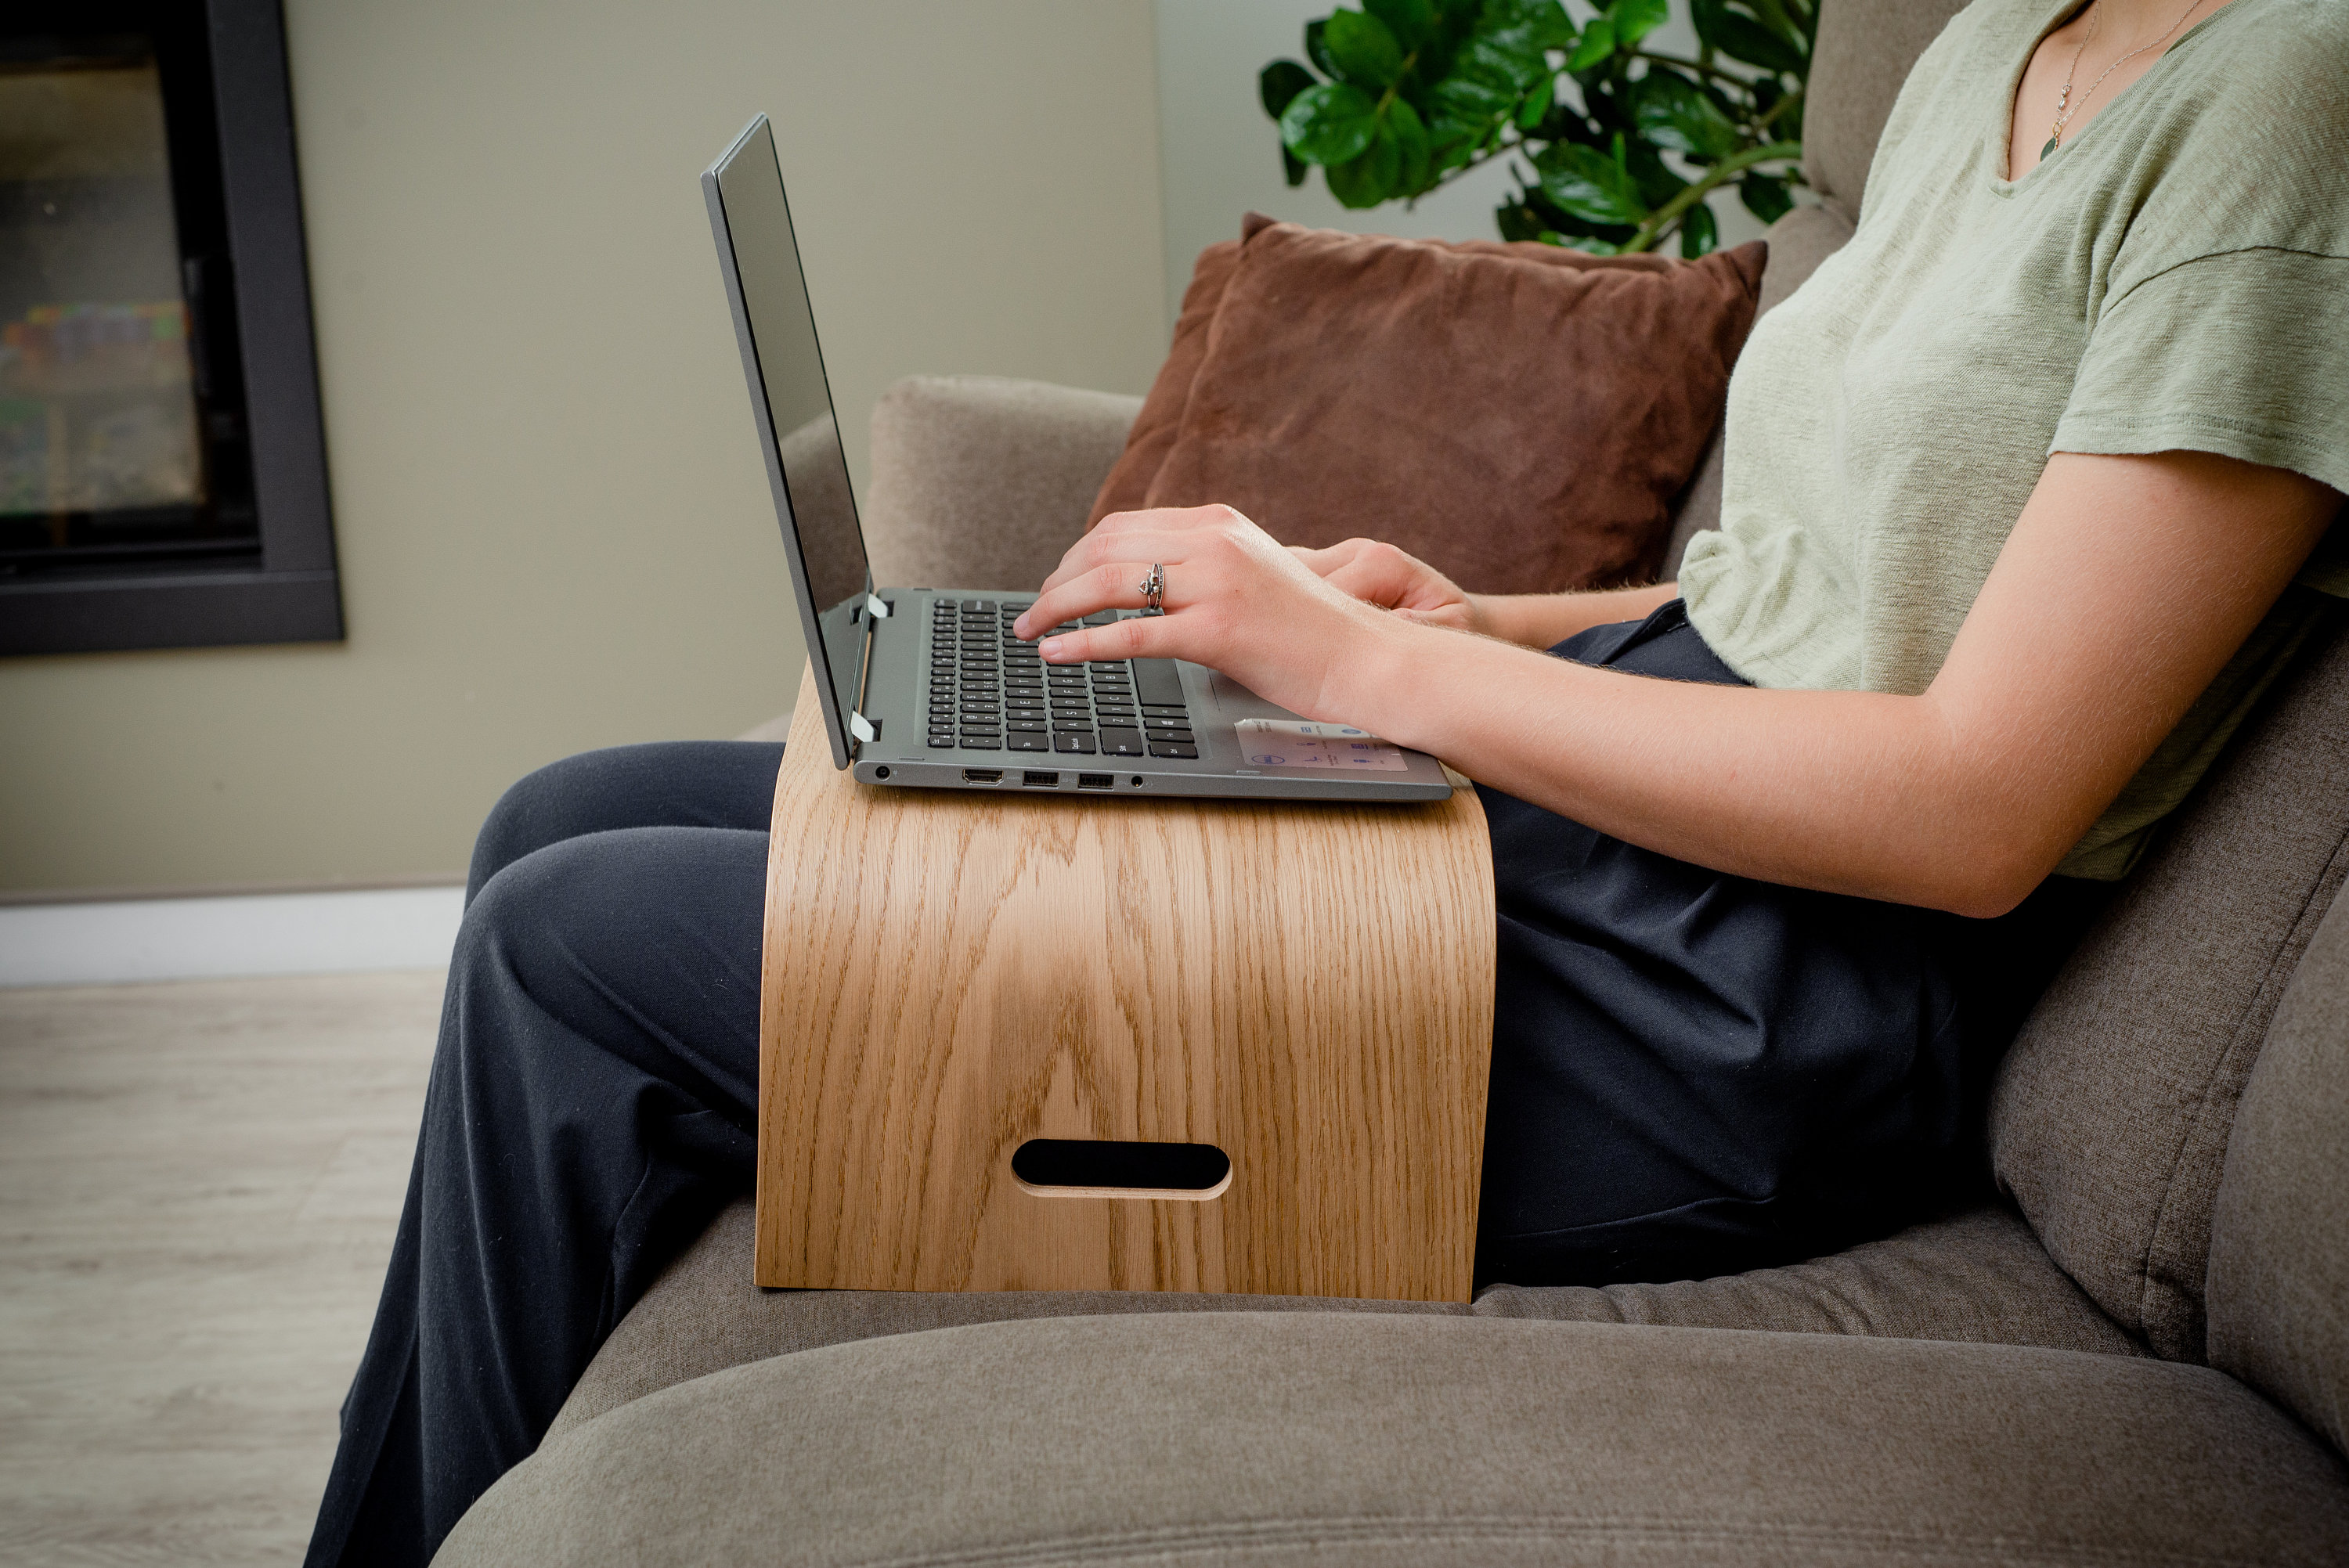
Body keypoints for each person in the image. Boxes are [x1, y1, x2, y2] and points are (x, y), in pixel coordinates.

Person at [305, 0, 2347, 1560]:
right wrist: (1468, 624)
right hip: (1602, 782)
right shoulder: (1992, 38)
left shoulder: (2283, 106)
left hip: (1754, 983)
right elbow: (1786, 589)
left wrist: (1373, 676)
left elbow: (1977, 804)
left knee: (561, 954)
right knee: (554, 816)